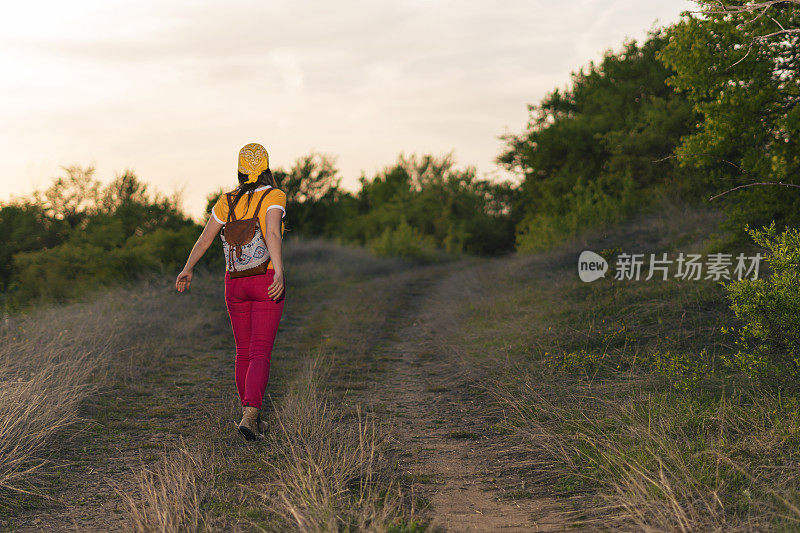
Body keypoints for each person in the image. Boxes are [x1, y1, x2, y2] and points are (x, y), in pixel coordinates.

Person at [175, 142, 286, 440]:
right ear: (266, 168)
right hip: (265, 279)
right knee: (260, 352)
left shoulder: (227, 200)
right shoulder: (274, 196)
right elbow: (273, 232)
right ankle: (251, 414)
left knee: (243, 352)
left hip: (234, 282)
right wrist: (279, 272)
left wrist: (188, 268)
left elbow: (205, 238)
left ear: (239, 169)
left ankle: (249, 415)